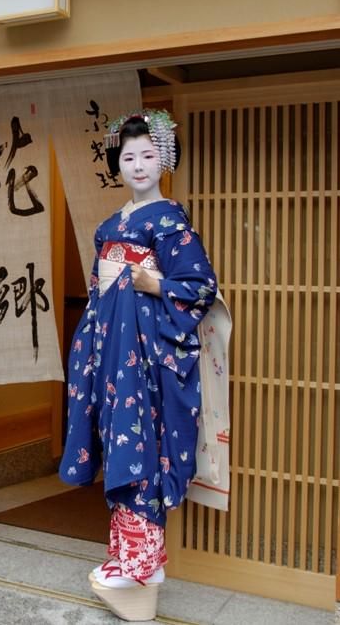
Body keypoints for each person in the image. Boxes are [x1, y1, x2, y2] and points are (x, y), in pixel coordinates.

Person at [59, 110, 228, 621]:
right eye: (129, 156)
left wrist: (155, 284)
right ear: (118, 163)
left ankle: (138, 566)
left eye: (148, 155)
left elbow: (200, 287)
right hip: (113, 352)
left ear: (164, 159)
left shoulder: (171, 222)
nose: (138, 165)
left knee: (142, 447)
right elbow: (99, 291)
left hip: (148, 358)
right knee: (119, 442)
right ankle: (134, 564)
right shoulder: (111, 225)